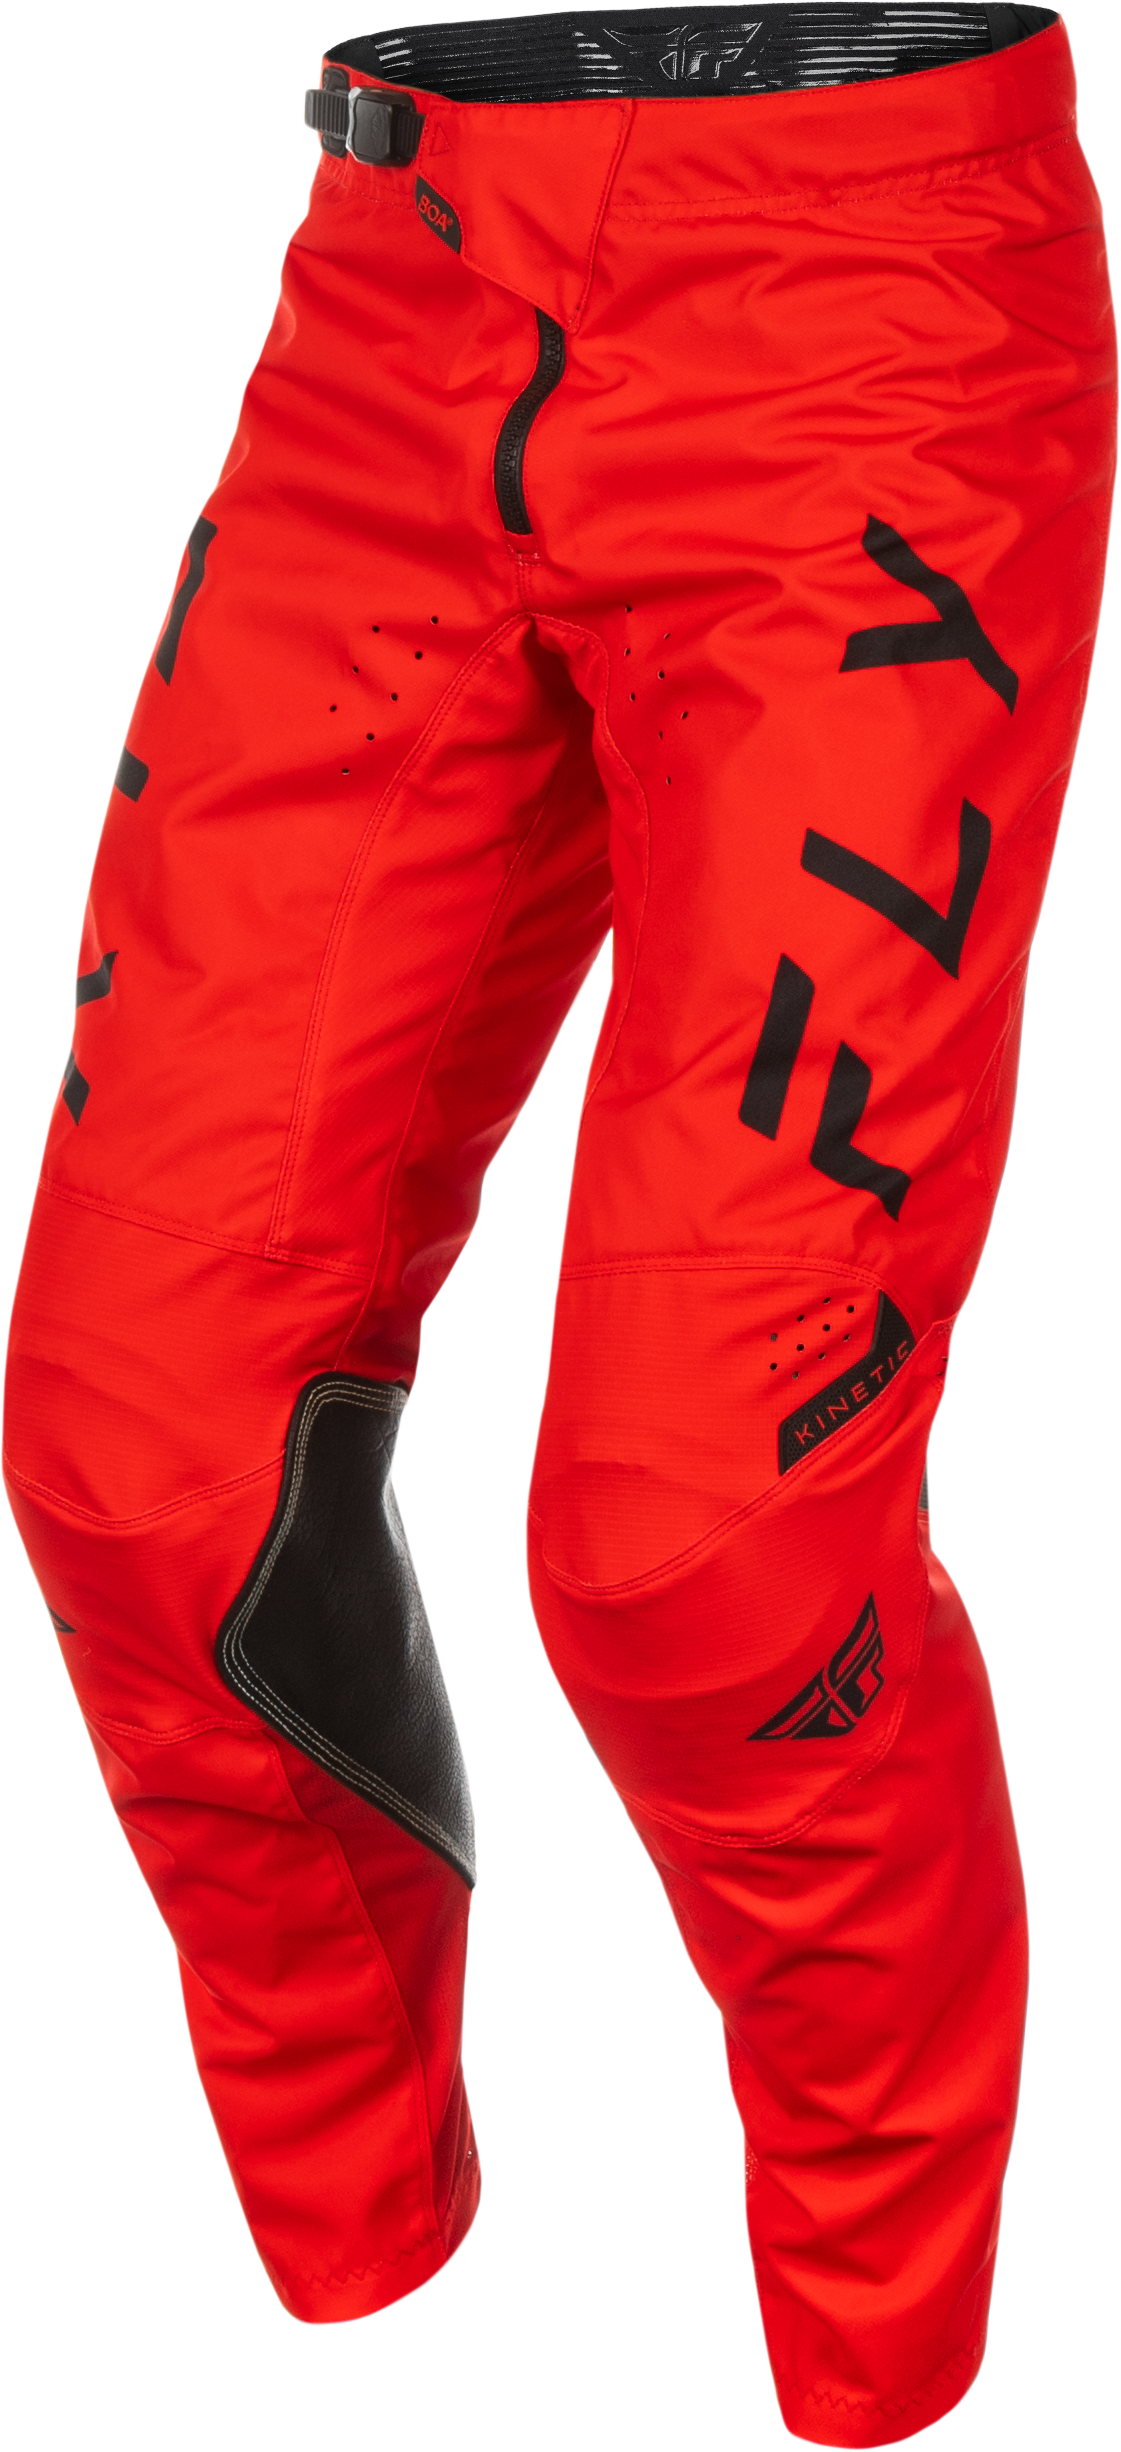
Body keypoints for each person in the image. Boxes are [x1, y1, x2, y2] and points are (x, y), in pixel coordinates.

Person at [3, 6, 1114, 2446]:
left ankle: (873, 2392)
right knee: (138, 1441)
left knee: (705, 1543)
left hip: (861, 314)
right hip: (403, 279)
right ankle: (370, 2323)